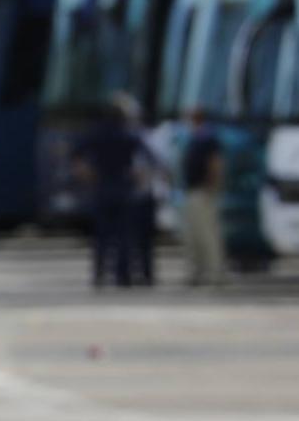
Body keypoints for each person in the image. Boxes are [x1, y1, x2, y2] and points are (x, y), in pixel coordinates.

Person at [73, 96, 160, 289]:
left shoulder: (96, 134)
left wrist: (87, 175)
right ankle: (123, 276)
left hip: (102, 187)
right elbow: (152, 159)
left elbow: (76, 156)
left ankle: (99, 274)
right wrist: (139, 176)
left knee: (101, 236)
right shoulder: (128, 135)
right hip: (124, 189)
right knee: (124, 236)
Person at [180, 107, 227, 287]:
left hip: (202, 191)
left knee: (207, 234)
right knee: (193, 235)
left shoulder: (208, 138)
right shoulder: (196, 137)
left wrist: (212, 186)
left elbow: (216, 163)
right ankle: (197, 272)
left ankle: (216, 273)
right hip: (192, 191)